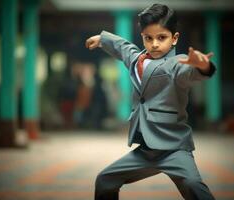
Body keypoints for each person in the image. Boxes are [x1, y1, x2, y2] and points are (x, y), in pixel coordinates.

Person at [85, 4, 216, 200]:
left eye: (161, 37)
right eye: (149, 38)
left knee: (193, 185)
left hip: (174, 149)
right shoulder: (137, 58)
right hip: (147, 151)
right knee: (104, 180)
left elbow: (190, 73)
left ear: (174, 38)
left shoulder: (177, 63)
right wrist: (103, 39)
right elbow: (124, 47)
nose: (155, 44)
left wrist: (203, 66)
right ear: (143, 37)